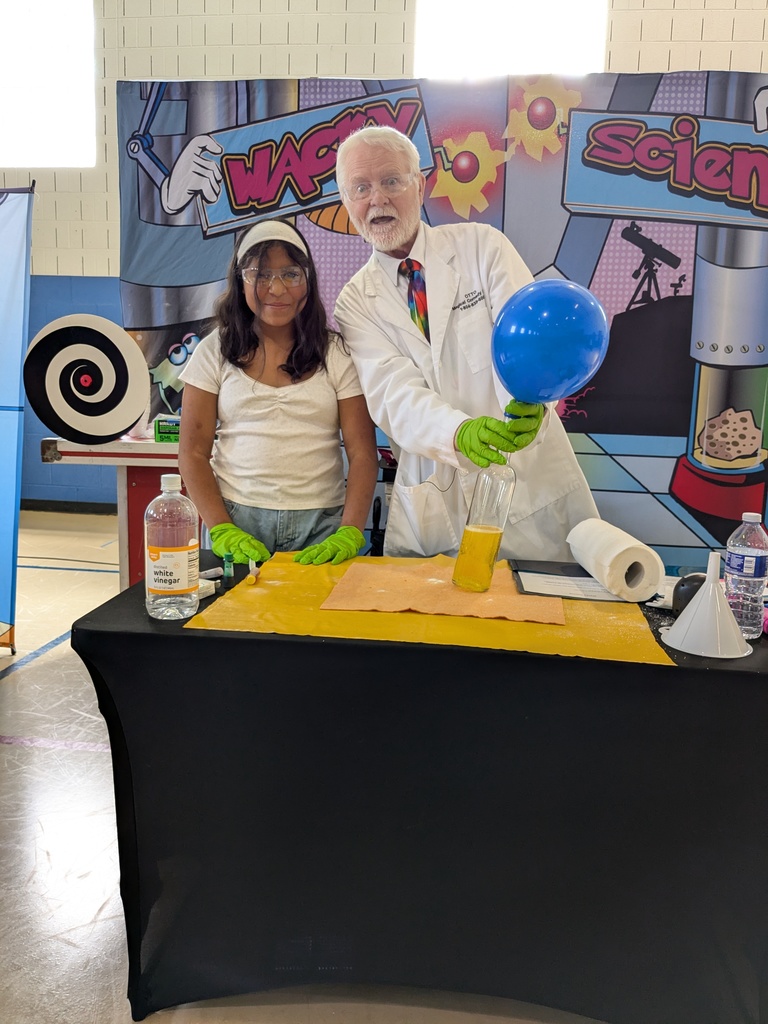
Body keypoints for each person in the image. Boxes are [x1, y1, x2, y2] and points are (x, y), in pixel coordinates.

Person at [333, 125, 599, 561]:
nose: (377, 199)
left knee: (542, 611)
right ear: (347, 203)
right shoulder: (356, 302)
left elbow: (529, 347)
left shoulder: (481, 247)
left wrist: (528, 404)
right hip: (437, 483)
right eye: (360, 187)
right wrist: (457, 433)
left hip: (526, 472)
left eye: (391, 181)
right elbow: (393, 395)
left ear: (419, 185)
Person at [178, 218, 379, 566]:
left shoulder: (336, 353)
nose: (276, 289)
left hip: (322, 526)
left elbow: (363, 454)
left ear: (308, 281)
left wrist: (350, 530)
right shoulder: (213, 352)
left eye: (290, 274)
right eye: (260, 273)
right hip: (236, 519)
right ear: (240, 281)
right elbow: (193, 454)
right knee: (234, 620)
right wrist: (223, 528)